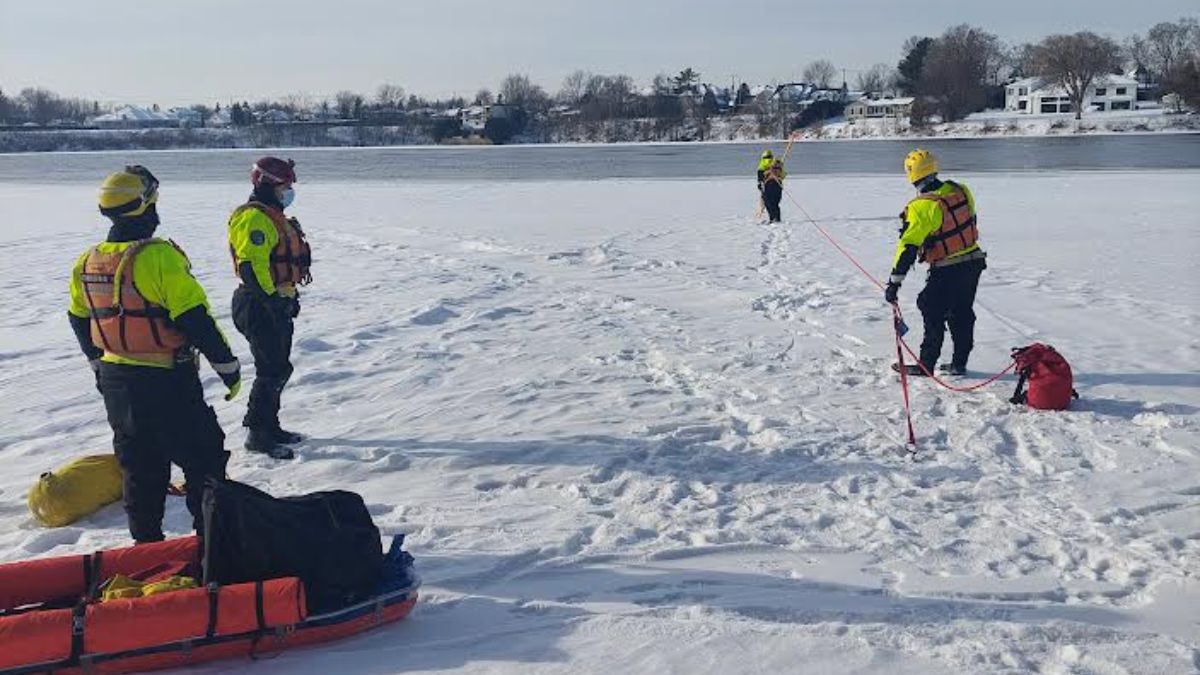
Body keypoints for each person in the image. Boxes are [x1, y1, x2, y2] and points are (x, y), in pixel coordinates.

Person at [68, 166, 241, 543]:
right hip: (166, 382)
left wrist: (97, 364)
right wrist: (228, 367)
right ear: (146, 206)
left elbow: (78, 317)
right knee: (205, 460)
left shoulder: (88, 261)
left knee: (140, 468)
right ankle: (213, 545)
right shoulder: (159, 257)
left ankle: (145, 549)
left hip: (117, 385)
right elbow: (194, 318)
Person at [227, 157, 312, 459]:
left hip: (275, 301)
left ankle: (270, 426)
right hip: (257, 303)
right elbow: (252, 267)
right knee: (271, 370)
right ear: (266, 184)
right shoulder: (255, 219)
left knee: (278, 368)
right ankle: (257, 434)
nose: (288, 192)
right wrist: (272, 302)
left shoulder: (274, 216)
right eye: (284, 186)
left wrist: (286, 299)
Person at [885, 149, 987, 376]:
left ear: (911, 174)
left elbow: (908, 247)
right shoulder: (961, 190)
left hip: (947, 268)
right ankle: (959, 363)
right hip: (973, 262)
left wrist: (894, 282)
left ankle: (926, 364)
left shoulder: (921, 206)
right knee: (961, 311)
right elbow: (970, 220)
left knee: (930, 306)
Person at [756, 150, 786, 223]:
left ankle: (773, 219)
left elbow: (760, 178)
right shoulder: (777, 163)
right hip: (777, 185)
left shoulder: (762, 165)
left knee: (768, 203)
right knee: (775, 203)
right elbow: (783, 175)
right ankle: (777, 219)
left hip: (768, 185)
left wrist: (760, 185)